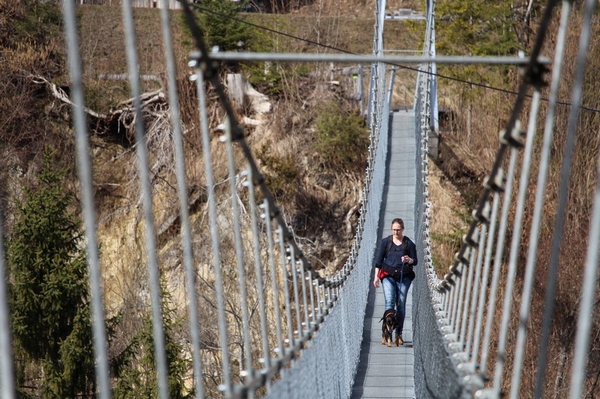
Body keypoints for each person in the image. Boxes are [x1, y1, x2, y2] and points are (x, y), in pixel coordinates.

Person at [372, 218, 418, 346]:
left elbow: (415, 261)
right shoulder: (385, 242)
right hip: (388, 275)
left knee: (401, 303)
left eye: (398, 230)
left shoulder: (409, 244)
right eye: (394, 230)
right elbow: (379, 261)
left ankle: (399, 334)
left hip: (404, 276)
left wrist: (408, 260)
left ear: (402, 229)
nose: (396, 232)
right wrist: (376, 277)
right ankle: (388, 336)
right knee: (389, 302)